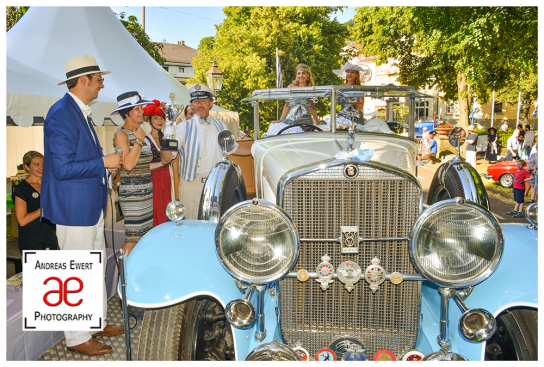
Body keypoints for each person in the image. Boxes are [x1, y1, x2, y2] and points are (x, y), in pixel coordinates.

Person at [41, 55, 123, 355]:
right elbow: (62, 169)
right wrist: (103, 162)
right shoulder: (61, 113)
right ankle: (76, 338)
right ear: (84, 80)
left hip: (89, 206)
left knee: (95, 265)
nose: (102, 84)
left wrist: (104, 169)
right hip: (72, 209)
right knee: (75, 271)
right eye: (99, 78)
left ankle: (96, 320)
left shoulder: (79, 112)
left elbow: (79, 162)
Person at [160, 84, 252, 219]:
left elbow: (233, 148)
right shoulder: (182, 128)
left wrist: (258, 149)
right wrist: (168, 139)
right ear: (191, 105)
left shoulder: (221, 126)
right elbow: (165, 159)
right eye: (196, 102)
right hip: (192, 186)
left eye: (203, 101)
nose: (199, 105)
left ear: (211, 103)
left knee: (214, 227)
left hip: (216, 186)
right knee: (192, 228)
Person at [112, 92, 154, 256]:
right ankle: (121, 278)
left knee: (144, 236)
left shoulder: (139, 132)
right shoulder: (121, 134)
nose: (142, 111)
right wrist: (138, 140)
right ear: (126, 113)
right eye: (137, 108)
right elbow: (128, 165)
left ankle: (135, 274)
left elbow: (142, 164)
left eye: (141, 107)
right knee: (133, 238)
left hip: (146, 192)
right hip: (132, 195)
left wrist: (164, 163)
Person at [13, 151, 58, 254]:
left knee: (52, 269)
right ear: (27, 167)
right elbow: (22, 220)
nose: (41, 167)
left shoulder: (49, 184)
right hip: (30, 238)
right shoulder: (22, 189)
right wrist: (43, 209)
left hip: (50, 234)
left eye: (43, 164)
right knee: (36, 270)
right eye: (36, 165)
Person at [143, 99, 174, 226]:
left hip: (169, 177)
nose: (160, 121)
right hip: (155, 180)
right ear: (149, 120)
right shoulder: (146, 140)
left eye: (162, 118)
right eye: (156, 118)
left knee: (170, 210)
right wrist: (163, 163)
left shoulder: (168, 137)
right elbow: (145, 166)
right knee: (159, 213)